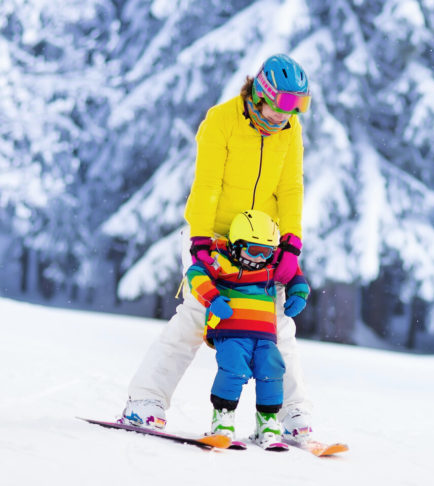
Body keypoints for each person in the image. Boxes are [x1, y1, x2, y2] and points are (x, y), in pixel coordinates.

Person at [119, 53, 314, 441]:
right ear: (262, 93)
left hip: (264, 245)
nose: (288, 116)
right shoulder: (221, 121)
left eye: (299, 106)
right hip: (216, 240)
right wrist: (202, 243)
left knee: (277, 327)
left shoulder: (290, 130)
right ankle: (146, 401)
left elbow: (290, 188)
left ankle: (292, 414)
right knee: (196, 317)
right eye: (285, 105)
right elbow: (207, 185)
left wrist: (291, 245)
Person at [187, 210, 309, 447]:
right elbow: (196, 273)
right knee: (233, 370)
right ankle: (222, 420)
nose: (260, 258)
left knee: (272, 371)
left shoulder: (272, 265)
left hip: (265, 334)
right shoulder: (220, 259)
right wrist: (212, 298)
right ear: (235, 245)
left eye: (266, 252)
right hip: (231, 330)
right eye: (253, 250)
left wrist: (299, 294)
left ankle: (268, 422)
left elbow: (295, 273)